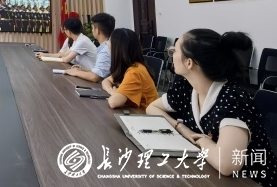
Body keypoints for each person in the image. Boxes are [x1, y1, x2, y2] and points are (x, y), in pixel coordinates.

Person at [146, 29, 276, 184]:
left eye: (175, 51)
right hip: (210, 172)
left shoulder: (233, 100)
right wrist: (181, 128)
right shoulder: (186, 87)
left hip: (251, 181)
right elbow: (152, 108)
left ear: (189, 63)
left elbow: (227, 164)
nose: (171, 54)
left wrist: (202, 141)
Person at [101, 28, 159, 109]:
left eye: (109, 41)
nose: (107, 45)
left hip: (144, 113)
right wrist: (112, 91)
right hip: (136, 111)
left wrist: (115, 93)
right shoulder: (128, 66)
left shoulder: (134, 71)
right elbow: (106, 81)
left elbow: (113, 102)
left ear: (116, 48)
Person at [65, 12, 114, 82]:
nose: (92, 30)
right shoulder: (108, 45)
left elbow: (95, 77)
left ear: (97, 30)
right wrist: (84, 70)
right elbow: (102, 72)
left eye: (92, 28)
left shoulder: (105, 50)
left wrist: (75, 72)